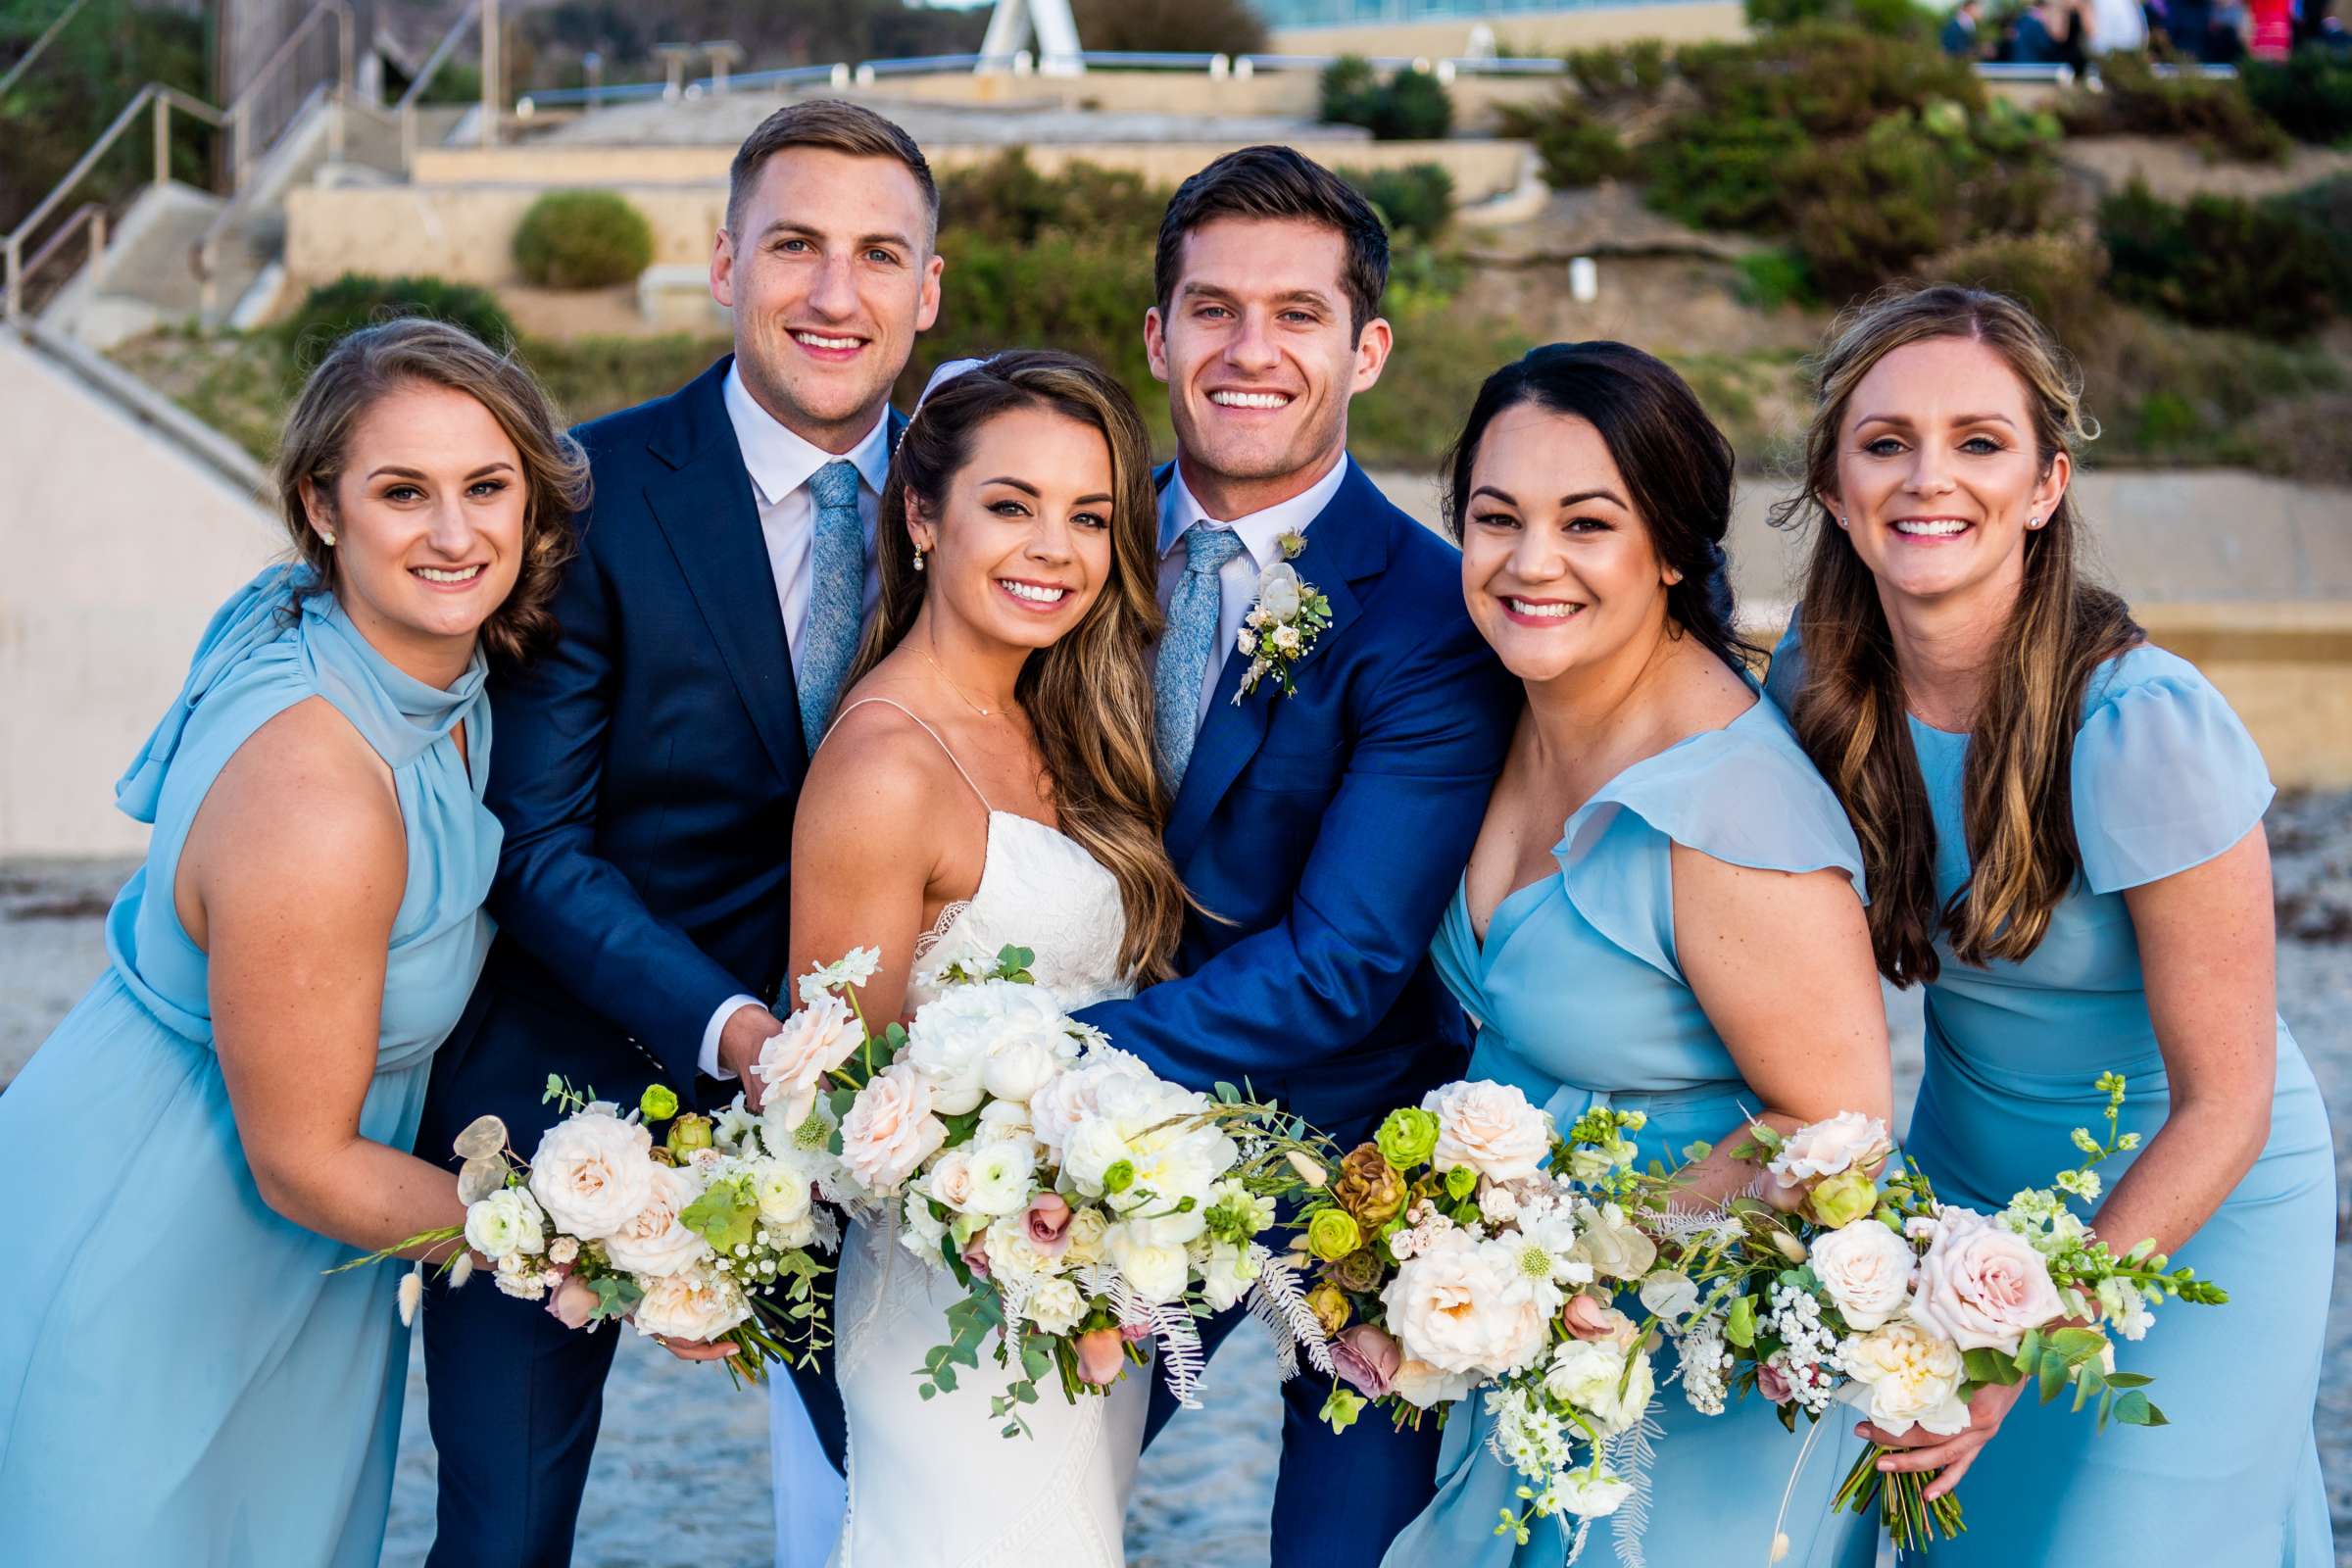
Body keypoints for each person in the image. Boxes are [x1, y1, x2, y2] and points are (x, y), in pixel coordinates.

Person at [413, 100, 941, 1568]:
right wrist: (727, 1030)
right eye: (795, 246)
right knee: (502, 1532)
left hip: (885, 1113)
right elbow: (534, 841)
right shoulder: (582, 494)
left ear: (928, 291)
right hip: (569, 1076)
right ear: (725, 261)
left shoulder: (981, 494)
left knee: (915, 1507)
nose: (836, 294)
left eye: (878, 255)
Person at [1764, 284, 2334, 1563]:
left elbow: (2226, 1102)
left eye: (1980, 442)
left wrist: (2028, 1338)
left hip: (2192, 1214)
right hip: (1961, 1185)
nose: (1929, 478)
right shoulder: (1812, 682)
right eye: (1885, 442)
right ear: (1838, 486)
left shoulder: (2144, 731)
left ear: (2044, 485)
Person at [0, 318, 584, 1563]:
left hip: (296, 1277)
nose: (454, 534)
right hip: (159, 1247)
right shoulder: (317, 795)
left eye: (487, 487)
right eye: (400, 492)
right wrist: (580, 1242)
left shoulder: (357, 637)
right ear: (321, 505)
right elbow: (304, 1163)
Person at [1066, 145, 1522, 1567]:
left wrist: (1046, 1048)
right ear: (1158, 336)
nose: (1248, 351)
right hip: (1086, 1154)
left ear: (1367, 346)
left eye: (1298, 314)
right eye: (1211, 310)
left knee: (1344, 1552)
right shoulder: (1064, 546)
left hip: (1346, 1159)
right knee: (996, 1479)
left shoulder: (1432, 615)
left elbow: (1347, 965)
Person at [1381, 343, 1888, 1568]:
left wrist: (1573, 1260)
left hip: (1696, 1392)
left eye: (1586, 523)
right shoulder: (1504, 711)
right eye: (1495, 520)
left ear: (1669, 549)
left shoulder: (1729, 808)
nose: (1530, 561)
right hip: (1531, 1349)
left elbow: (1837, 1125)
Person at [788, 349, 1183, 1566]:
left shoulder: (1060, 720)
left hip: (1079, 1286)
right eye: (1010, 505)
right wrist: (1015, 1196)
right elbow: (830, 1095)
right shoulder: (884, 765)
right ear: (921, 513)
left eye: (1087, 516)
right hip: (952, 1304)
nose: (1053, 549)